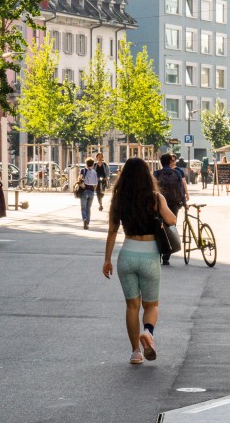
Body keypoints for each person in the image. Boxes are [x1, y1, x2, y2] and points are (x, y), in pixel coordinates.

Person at [101, 156, 177, 367]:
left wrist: (107, 260)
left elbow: (112, 232)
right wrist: (161, 205)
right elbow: (172, 220)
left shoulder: (119, 199)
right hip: (149, 256)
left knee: (132, 306)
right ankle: (147, 332)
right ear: (146, 176)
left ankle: (135, 352)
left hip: (127, 255)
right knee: (151, 305)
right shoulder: (155, 198)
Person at [153, 153, 189, 265]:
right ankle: (166, 256)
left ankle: (158, 254)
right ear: (170, 162)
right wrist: (184, 203)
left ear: (161, 162)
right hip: (174, 204)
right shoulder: (177, 173)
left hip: (159, 204)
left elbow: (152, 189)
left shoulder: (157, 173)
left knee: (158, 228)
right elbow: (181, 190)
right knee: (170, 227)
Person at [78, 159, 100, 227]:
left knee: (83, 208)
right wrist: (92, 190)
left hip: (84, 191)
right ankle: (87, 223)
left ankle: (84, 219)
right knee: (88, 208)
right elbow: (96, 184)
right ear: (93, 164)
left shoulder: (83, 170)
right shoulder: (95, 172)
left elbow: (80, 179)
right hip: (91, 192)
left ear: (86, 164)